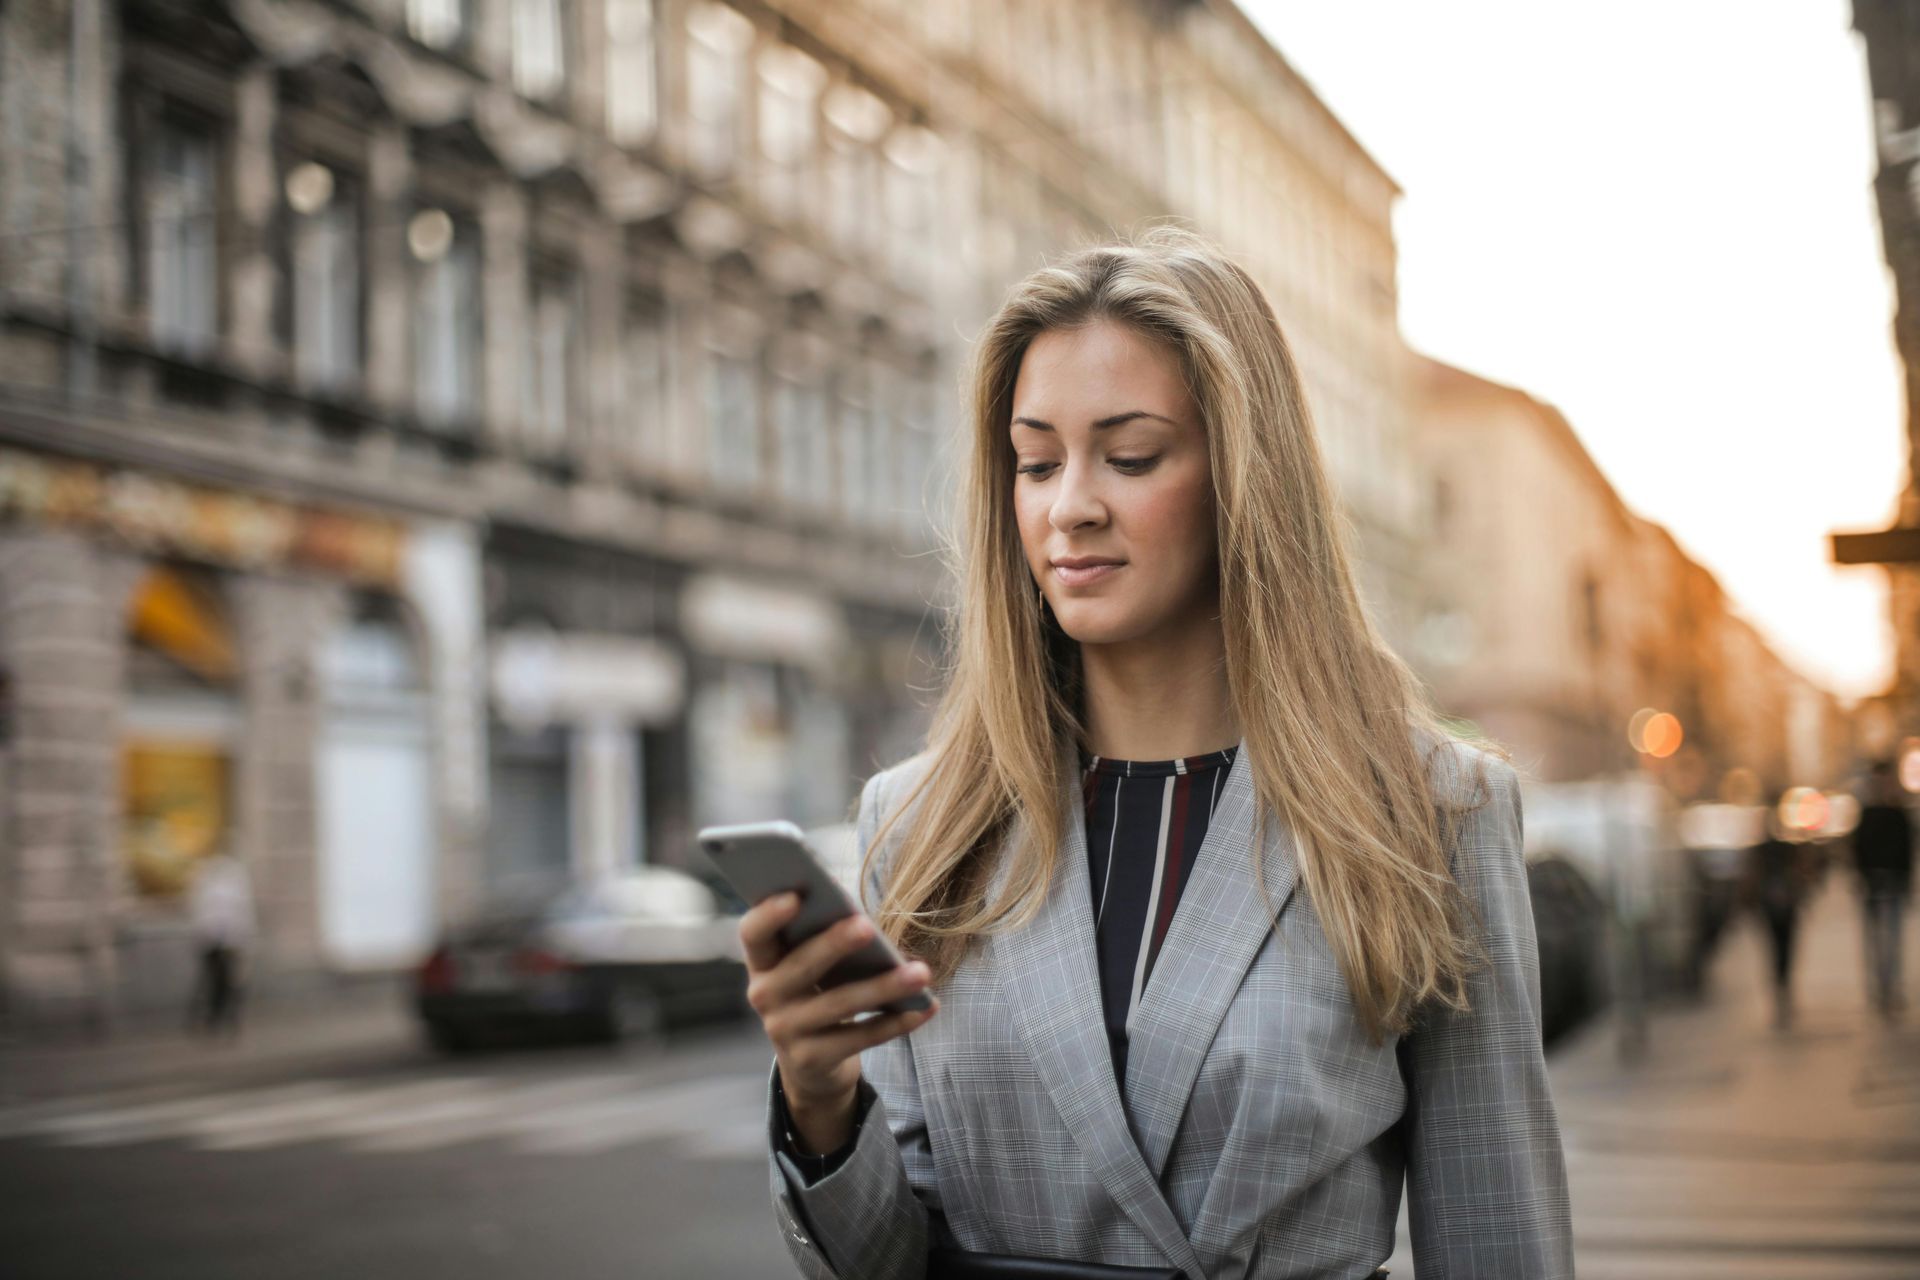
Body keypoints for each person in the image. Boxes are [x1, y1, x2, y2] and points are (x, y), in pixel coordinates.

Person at [741, 230, 1573, 1279]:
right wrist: (821, 1102)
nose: (1070, 504)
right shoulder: (918, 823)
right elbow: (881, 1264)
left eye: (1129, 455)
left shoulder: (1428, 809)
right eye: (1036, 461)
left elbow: (1499, 1235)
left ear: (1244, 476)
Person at [1852, 760, 1913, 1019]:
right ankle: (1880, 988)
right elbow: (1857, 850)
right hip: (1873, 887)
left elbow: (1907, 850)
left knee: (1893, 940)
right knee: (1877, 939)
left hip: (1894, 884)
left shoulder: (1898, 813)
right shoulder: (1866, 813)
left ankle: (1891, 987)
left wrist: (1906, 882)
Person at [1747, 795, 1810, 1032]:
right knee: (1784, 946)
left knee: (1777, 948)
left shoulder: (1765, 850)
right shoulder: (1784, 848)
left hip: (1773, 905)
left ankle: (1780, 985)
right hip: (1780, 905)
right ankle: (1783, 985)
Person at [186, 851, 255, 1038]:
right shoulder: (209, 882)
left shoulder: (229, 882)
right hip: (214, 940)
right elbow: (204, 914)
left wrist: (240, 937)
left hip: (227, 940)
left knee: (226, 982)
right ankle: (213, 1020)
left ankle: (226, 1021)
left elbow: (240, 913)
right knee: (215, 982)